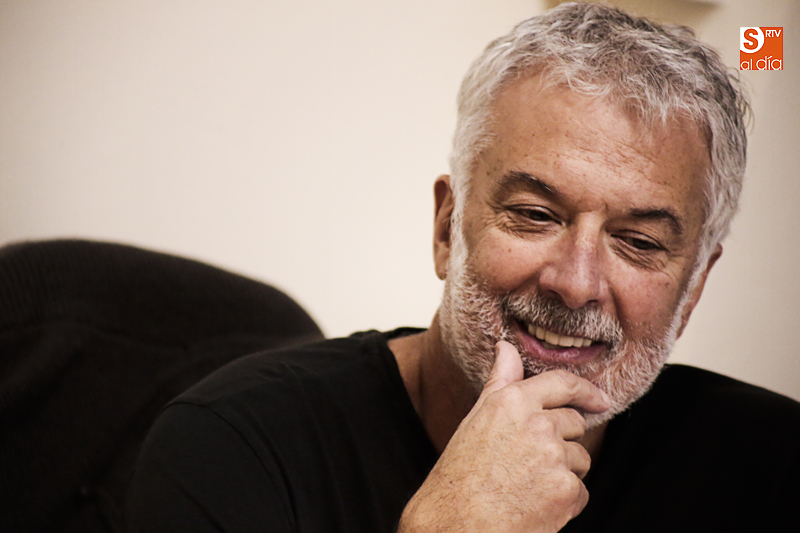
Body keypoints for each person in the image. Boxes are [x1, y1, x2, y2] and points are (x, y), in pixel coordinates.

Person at [126, 3, 800, 532]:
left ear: (695, 286)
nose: (576, 281)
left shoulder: (770, 471)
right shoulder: (234, 448)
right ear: (448, 227)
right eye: (536, 215)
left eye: (639, 242)